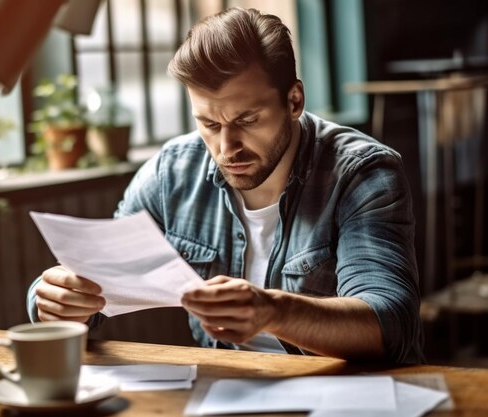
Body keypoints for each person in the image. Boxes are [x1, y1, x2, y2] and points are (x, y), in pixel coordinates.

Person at [27, 7, 423, 363]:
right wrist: (55, 301)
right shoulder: (172, 173)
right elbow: (96, 284)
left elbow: (390, 325)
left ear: (295, 100)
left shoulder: (362, 173)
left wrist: (273, 311)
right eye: (209, 124)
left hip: (354, 398)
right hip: (229, 393)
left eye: (248, 121)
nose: (226, 147)